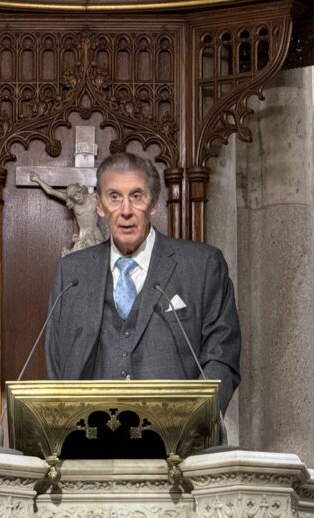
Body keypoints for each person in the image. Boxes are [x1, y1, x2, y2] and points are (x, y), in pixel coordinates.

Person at [45, 151, 241, 412]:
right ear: (99, 205)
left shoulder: (202, 266)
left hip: (178, 443)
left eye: (136, 196)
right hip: (87, 442)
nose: (126, 211)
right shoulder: (72, 273)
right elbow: (56, 361)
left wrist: (197, 422)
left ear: (153, 203)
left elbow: (222, 355)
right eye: (114, 197)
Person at [29, 172, 106, 255]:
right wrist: (37, 179)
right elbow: (50, 191)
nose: (78, 198)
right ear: (71, 199)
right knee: (78, 262)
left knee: (102, 258)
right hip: (82, 236)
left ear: (80, 191)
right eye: (74, 197)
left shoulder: (94, 198)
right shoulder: (74, 204)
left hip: (96, 233)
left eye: (78, 194)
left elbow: (110, 191)